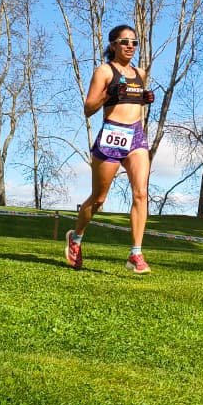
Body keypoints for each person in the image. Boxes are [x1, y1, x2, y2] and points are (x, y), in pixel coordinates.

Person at [65, 25, 154, 273]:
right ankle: (76, 237)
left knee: (141, 193)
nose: (130, 46)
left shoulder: (140, 73)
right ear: (113, 45)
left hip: (136, 136)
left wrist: (143, 99)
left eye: (134, 42)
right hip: (112, 135)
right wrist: (108, 94)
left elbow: (132, 102)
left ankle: (135, 254)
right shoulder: (104, 71)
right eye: (124, 42)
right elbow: (88, 109)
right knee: (99, 198)